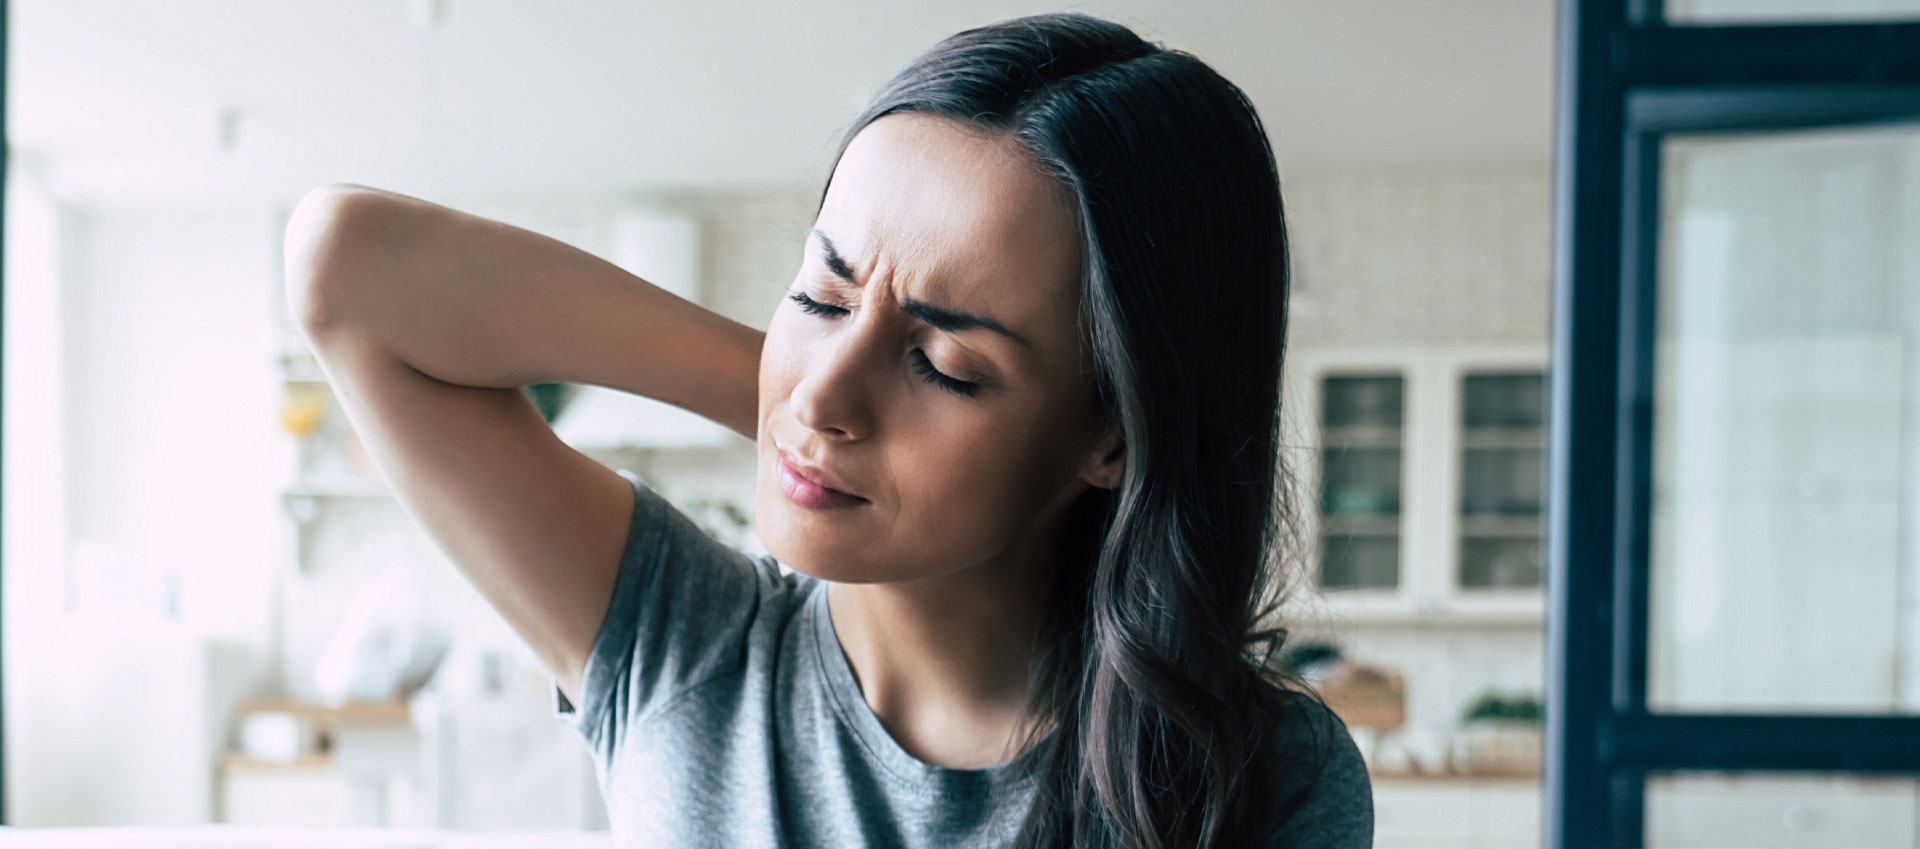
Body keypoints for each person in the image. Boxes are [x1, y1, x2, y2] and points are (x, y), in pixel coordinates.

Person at [283, 10, 1373, 848]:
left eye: (945, 362)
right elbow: (348, 265)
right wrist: (786, 402)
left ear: (1116, 436)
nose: (826, 394)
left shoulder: (1264, 772)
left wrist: (818, 382)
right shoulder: (680, 645)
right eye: (820, 293)